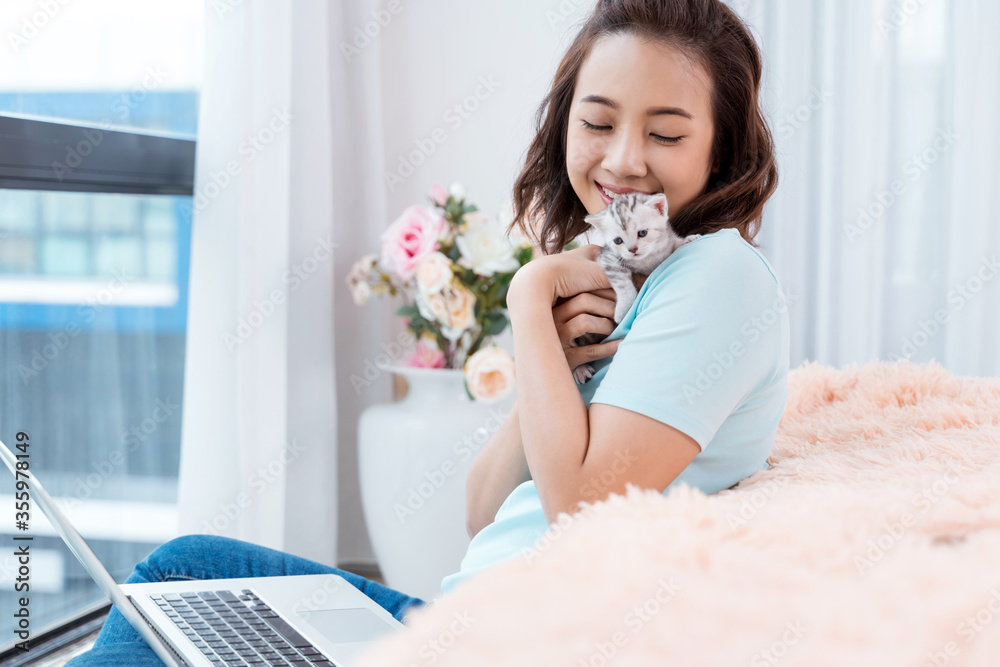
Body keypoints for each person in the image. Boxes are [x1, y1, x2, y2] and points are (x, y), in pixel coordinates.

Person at [67, 0, 786, 664]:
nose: (624, 158)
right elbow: (482, 510)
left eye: (664, 133)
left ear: (720, 151)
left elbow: (580, 517)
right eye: (597, 122)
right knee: (180, 573)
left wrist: (529, 300)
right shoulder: (624, 278)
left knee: (177, 598)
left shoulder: (718, 274)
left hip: (510, 642)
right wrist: (555, 363)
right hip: (458, 616)